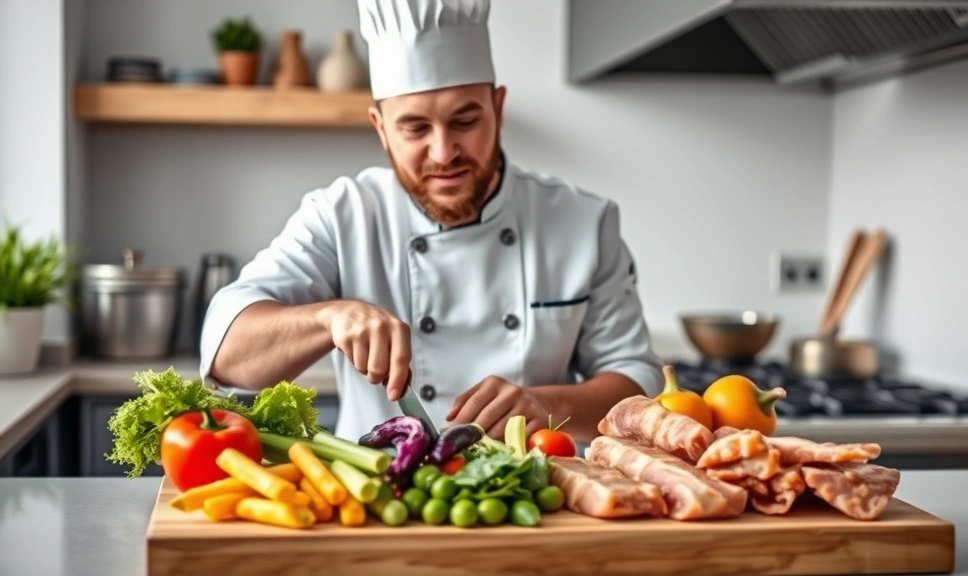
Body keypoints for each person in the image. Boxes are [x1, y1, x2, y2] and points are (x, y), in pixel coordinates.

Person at [199, 0, 663, 443]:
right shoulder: (341, 216)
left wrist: (544, 405)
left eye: (465, 121)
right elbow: (226, 355)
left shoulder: (583, 222)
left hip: (537, 502)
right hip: (379, 501)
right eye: (415, 128)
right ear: (381, 128)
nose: (443, 153)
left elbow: (638, 382)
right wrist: (329, 317)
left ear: (497, 111)